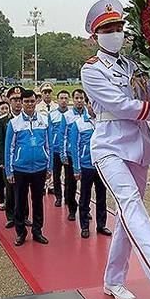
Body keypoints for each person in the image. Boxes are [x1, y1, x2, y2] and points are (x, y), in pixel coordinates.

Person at [81, 0, 150, 299]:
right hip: (109, 147)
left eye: (118, 27)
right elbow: (121, 106)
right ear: (95, 36)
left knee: (129, 216)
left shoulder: (134, 66)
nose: (115, 33)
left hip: (138, 149)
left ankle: (113, 280)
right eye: (107, 29)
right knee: (131, 205)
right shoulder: (91, 70)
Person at [5, 89, 53, 246]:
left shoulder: (45, 120)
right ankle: (20, 233)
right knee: (19, 202)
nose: (29, 104)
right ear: (21, 103)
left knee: (38, 201)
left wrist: (50, 167)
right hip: (20, 169)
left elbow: (49, 145)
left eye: (32, 101)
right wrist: (9, 170)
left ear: (36, 102)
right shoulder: (14, 123)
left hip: (39, 168)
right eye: (26, 102)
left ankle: (37, 231)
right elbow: (9, 148)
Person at [69, 97, 112, 239]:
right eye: (91, 104)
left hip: (101, 165)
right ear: (88, 105)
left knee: (101, 197)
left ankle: (101, 225)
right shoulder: (79, 123)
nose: (93, 107)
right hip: (86, 166)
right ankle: (85, 226)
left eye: (95, 104)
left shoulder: (103, 122)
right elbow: (74, 147)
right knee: (85, 197)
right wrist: (76, 168)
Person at [0, 86, 25, 228]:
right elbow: (0, 142)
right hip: (8, 162)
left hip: (23, 161)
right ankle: (11, 216)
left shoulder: (27, 119)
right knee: (10, 190)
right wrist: (2, 161)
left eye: (20, 100)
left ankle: (24, 216)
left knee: (23, 190)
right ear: (8, 101)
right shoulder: (3, 121)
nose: (18, 103)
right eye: (14, 100)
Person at [63, 89, 89, 220]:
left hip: (85, 157)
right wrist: (63, 154)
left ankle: (86, 209)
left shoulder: (89, 115)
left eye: (81, 98)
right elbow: (63, 136)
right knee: (71, 183)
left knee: (86, 185)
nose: (79, 101)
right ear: (73, 100)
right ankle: (72, 209)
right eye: (77, 98)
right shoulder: (67, 116)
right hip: (71, 155)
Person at [48, 89, 70, 207]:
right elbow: (49, 134)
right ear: (57, 100)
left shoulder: (71, 115)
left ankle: (68, 197)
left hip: (67, 151)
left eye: (66, 98)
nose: (63, 101)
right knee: (56, 175)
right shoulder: (52, 115)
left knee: (68, 177)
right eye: (61, 98)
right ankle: (58, 197)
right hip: (55, 150)